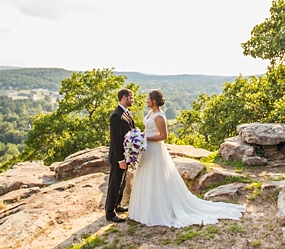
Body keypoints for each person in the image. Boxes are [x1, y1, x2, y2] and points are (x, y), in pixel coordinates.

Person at [128, 89, 245, 227]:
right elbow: (147, 130)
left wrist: (146, 138)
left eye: (148, 98)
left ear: (154, 101)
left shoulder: (159, 116)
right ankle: (145, 209)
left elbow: (163, 136)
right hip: (147, 149)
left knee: (156, 178)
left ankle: (158, 211)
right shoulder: (150, 113)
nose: (146, 100)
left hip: (155, 150)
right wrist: (138, 138)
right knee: (147, 177)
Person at [105, 88, 134, 222]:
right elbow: (116, 139)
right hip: (119, 157)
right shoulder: (116, 115)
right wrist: (120, 159)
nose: (132, 100)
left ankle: (117, 205)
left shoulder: (126, 113)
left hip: (126, 156)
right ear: (124, 97)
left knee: (121, 183)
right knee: (114, 184)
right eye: (131, 97)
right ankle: (110, 213)